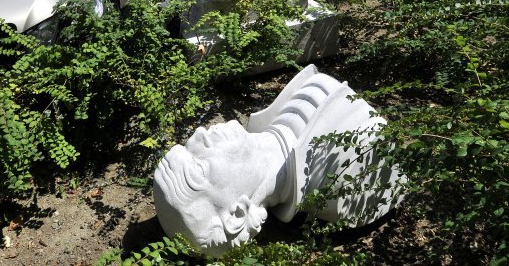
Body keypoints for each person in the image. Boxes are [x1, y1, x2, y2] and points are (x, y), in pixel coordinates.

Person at [153, 65, 402, 257]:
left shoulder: (280, 124)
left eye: (189, 147)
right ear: (237, 214)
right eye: (200, 166)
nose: (198, 135)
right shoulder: (345, 189)